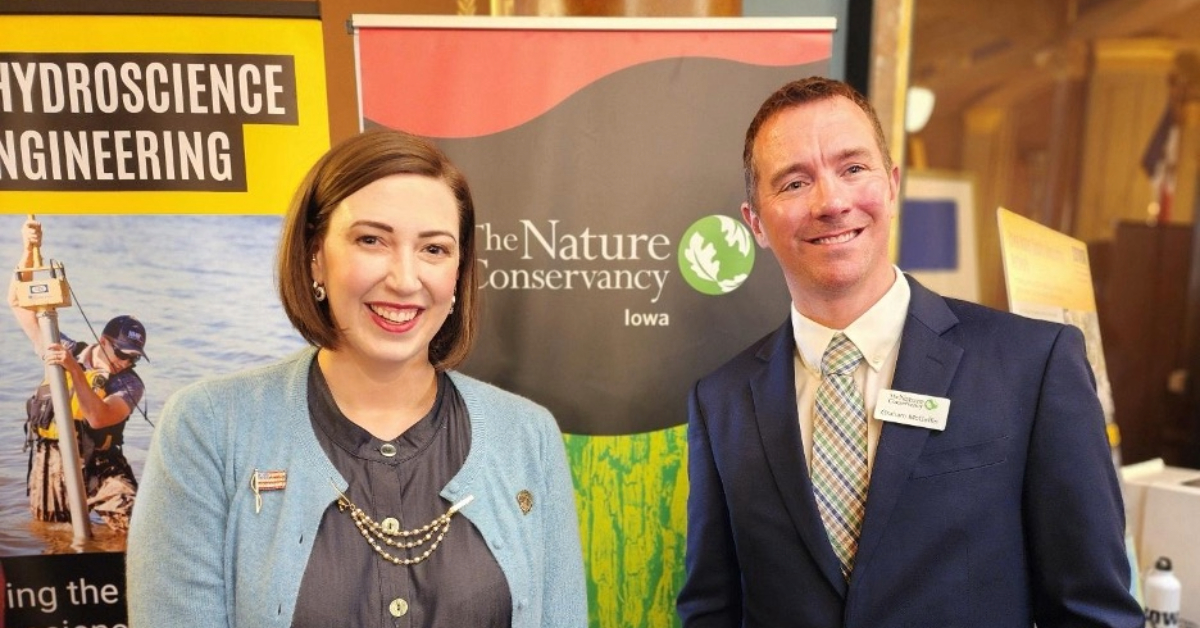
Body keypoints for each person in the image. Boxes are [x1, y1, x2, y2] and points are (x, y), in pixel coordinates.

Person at [676, 77, 1143, 628]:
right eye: (795, 182)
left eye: (853, 168)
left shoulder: (1032, 367)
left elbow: (1093, 612)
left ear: (892, 186)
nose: (832, 202)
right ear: (755, 222)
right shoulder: (722, 401)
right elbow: (712, 608)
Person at [126, 128, 588, 628]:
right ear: (315, 256)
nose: (405, 279)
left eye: (434, 249)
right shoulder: (209, 428)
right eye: (372, 240)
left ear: (458, 274)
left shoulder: (528, 435)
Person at [7, 219, 146, 533]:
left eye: (133, 358)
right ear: (104, 342)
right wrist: (28, 251)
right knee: (53, 538)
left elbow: (98, 418)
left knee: (136, 524)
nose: (125, 362)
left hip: (100, 463)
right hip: (50, 460)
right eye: (122, 353)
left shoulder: (130, 383)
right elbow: (18, 302)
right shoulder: (64, 346)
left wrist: (73, 369)